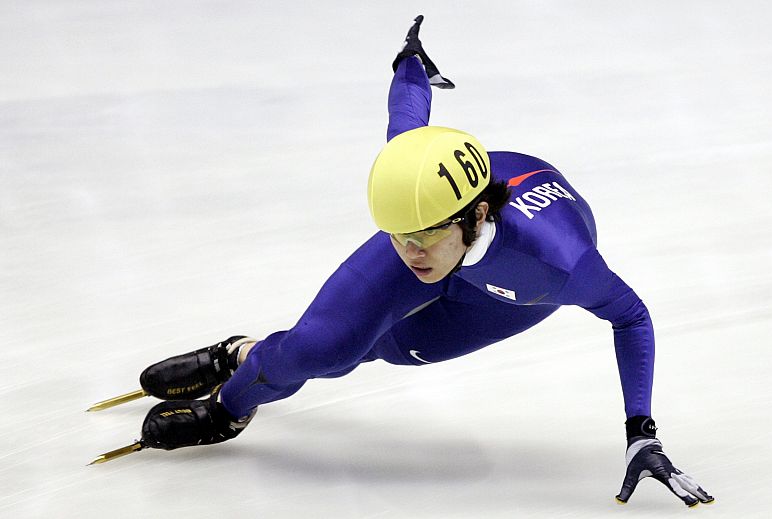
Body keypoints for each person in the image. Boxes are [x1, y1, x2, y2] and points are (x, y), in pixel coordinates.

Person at [131, 15, 713, 507]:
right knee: (323, 350)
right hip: (468, 245)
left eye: (423, 238)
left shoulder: (558, 265)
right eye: (396, 235)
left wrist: (641, 432)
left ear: (475, 217)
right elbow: (407, 115)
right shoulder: (413, 188)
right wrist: (410, 61)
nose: (409, 252)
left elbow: (631, 316)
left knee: (382, 349)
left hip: (508, 294)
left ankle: (259, 360)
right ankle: (234, 389)